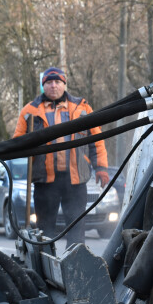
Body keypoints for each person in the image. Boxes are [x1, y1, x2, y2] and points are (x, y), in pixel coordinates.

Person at [13, 67, 110, 246]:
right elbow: (17, 142)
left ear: (64, 84)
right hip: (45, 181)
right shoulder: (30, 111)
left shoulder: (82, 108)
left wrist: (101, 168)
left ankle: (74, 268)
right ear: (44, 86)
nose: (53, 86)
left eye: (57, 82)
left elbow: (96, 141)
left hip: (75, 181)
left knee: (76, 228)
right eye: (49, 82)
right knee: (44, 230)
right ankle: (44, 270)